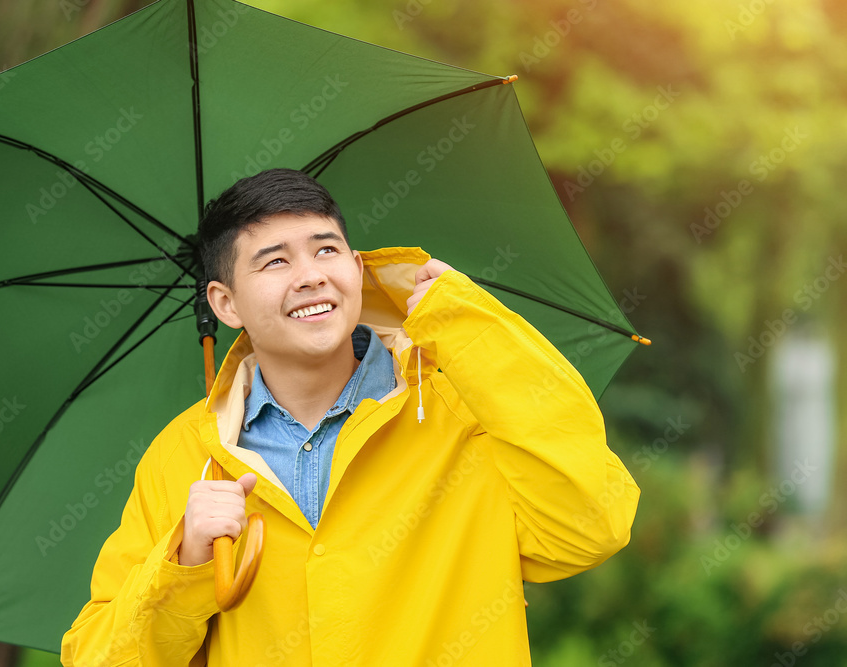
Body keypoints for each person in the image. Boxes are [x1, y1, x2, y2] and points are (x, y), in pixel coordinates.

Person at [60, 168, 640, 666]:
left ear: (357, 269)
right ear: (225, 304)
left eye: (326, 249)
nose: (311, 274)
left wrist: (470, 329)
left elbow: (590, 526)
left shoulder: (463, 411)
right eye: (274, 261)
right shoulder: (186, 458)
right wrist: (183, 563)